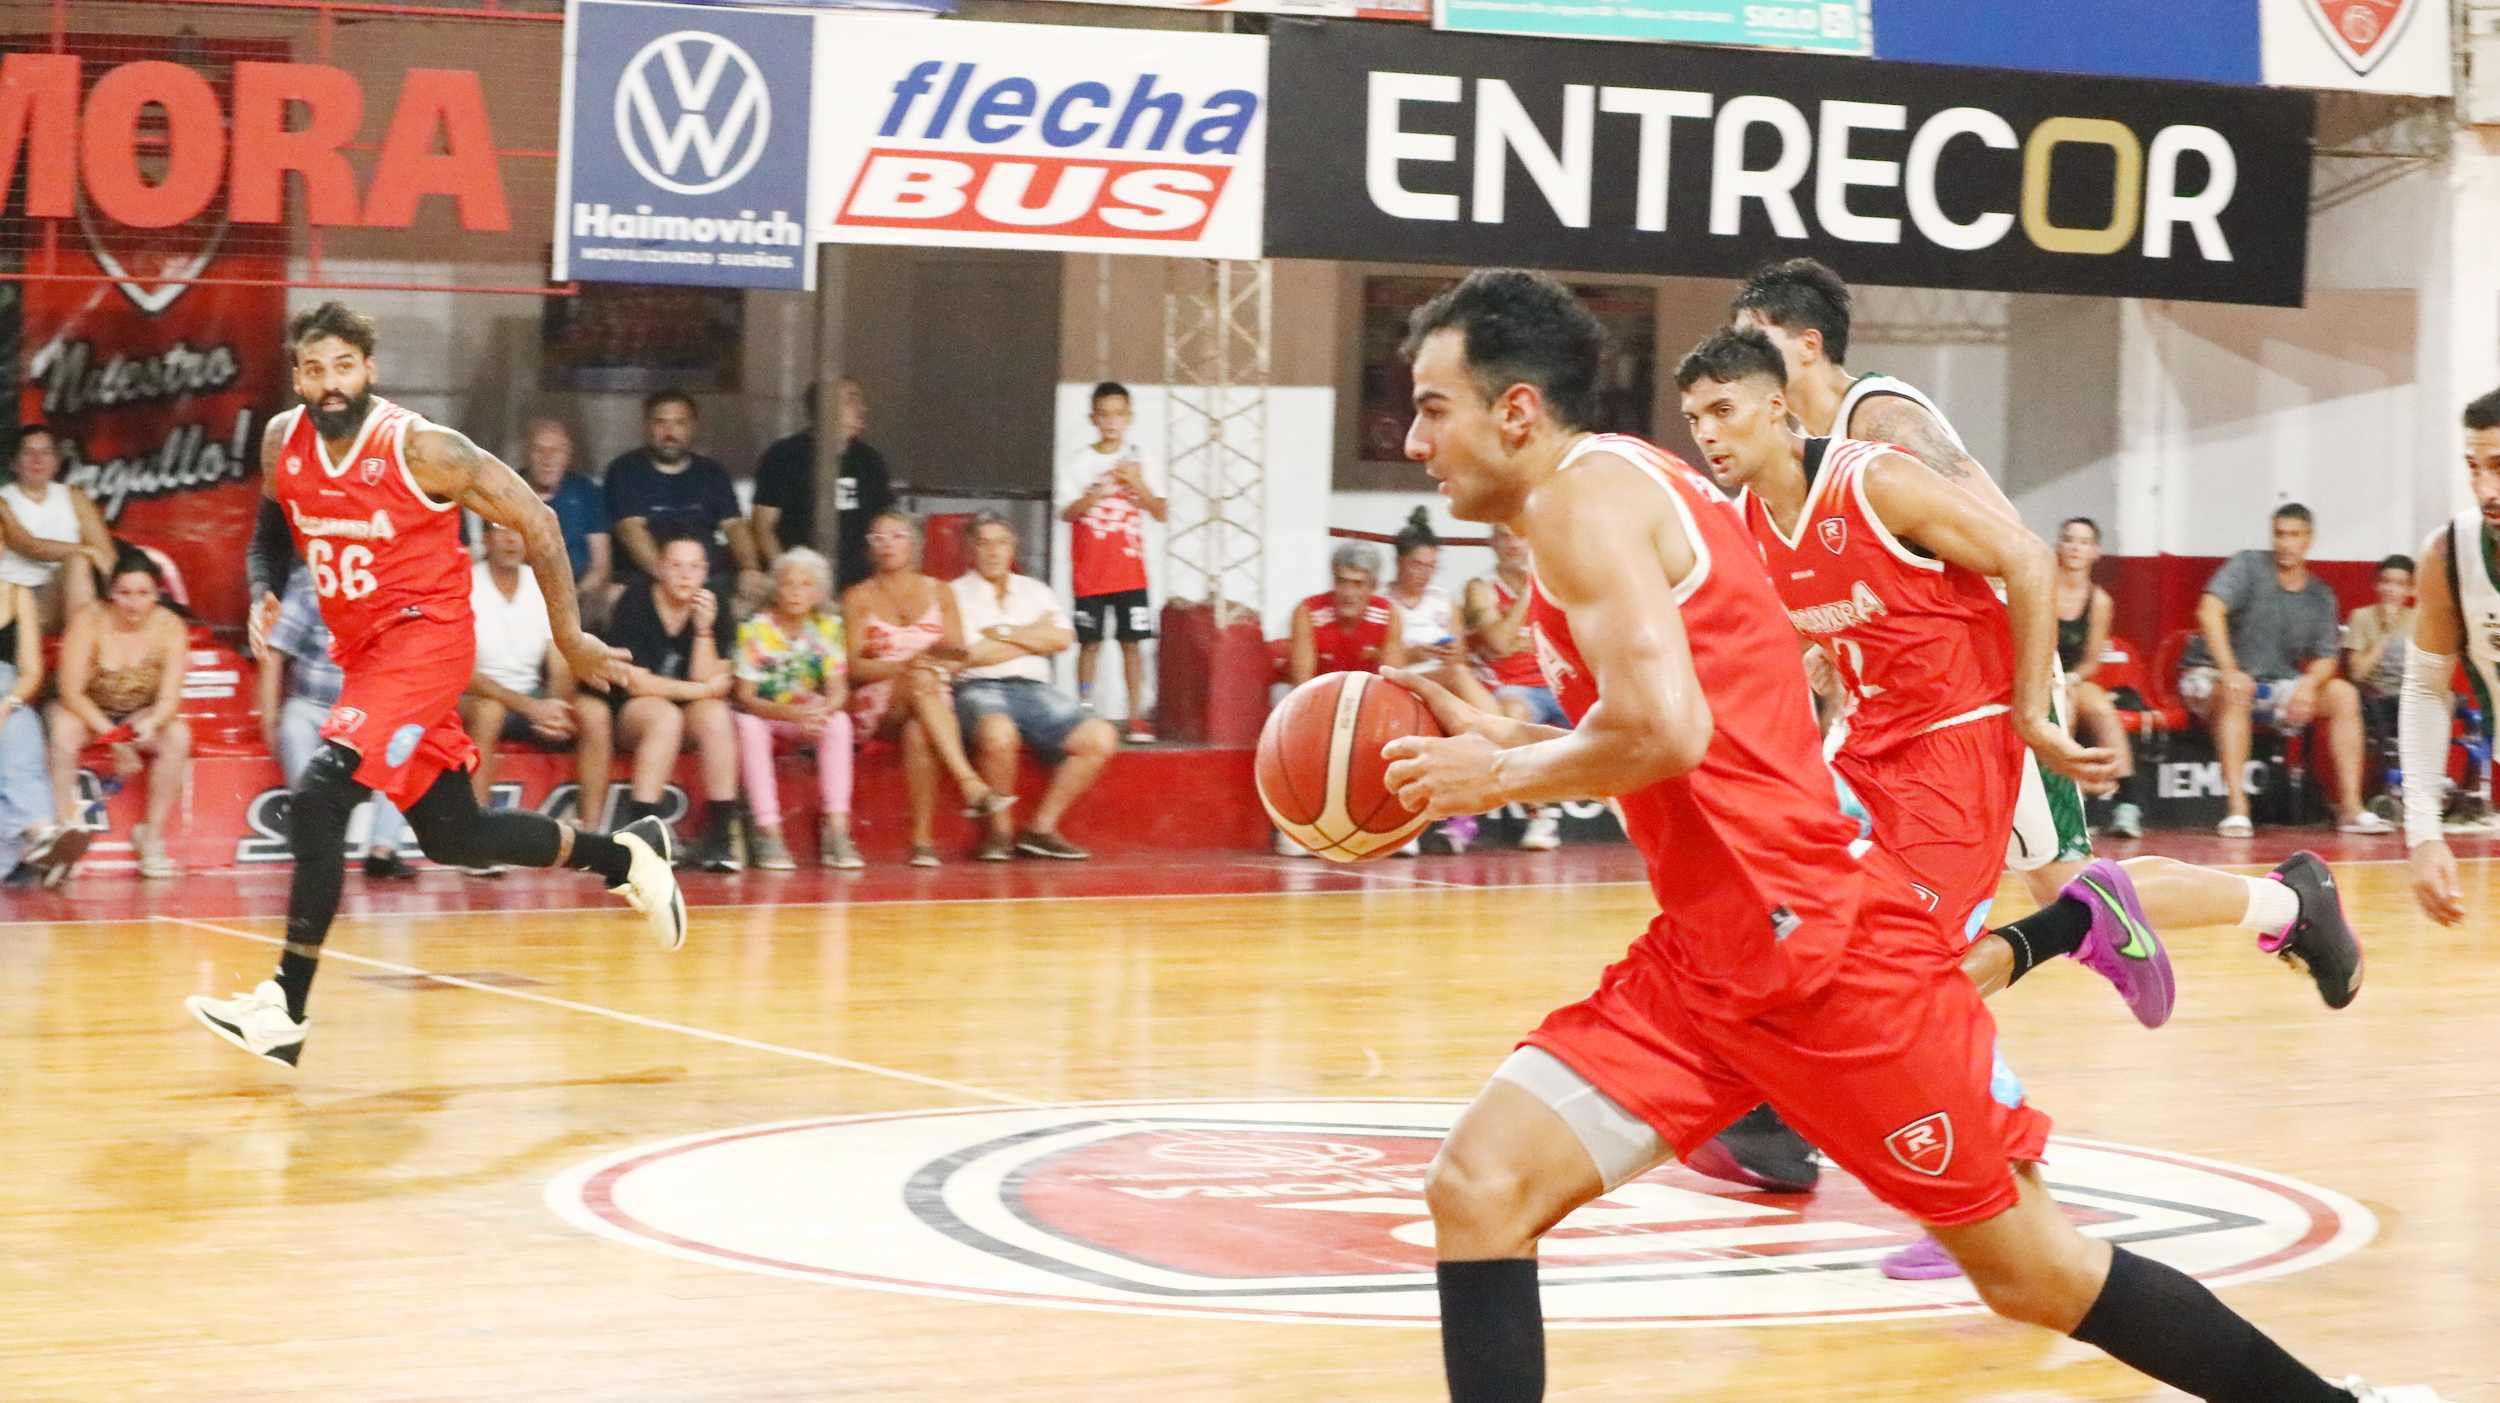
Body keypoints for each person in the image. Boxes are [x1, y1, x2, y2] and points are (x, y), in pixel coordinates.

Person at [1384, 268, 2440, 1403]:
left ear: (1517, 409)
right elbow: (1683, 726)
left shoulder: (1591, 501)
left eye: (1433, 406)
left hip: (1828, 952)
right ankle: (2097, 927)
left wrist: (1499, 771)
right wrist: (1502, 733)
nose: (1412, 440)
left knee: (2036, 1273)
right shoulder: (1624, 488)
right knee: (1481, 1185)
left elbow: (1666, 729)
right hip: (1716, 955)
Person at [191, 301, 681, 1069]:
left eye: (343, 366)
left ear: (369, 369)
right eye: (314, 370)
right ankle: (627, 856)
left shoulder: (424, 448)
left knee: (320, 798)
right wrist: (263, 591)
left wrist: (571, 636)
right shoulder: (284, 439)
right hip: (366, 655)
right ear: (298, 378)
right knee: (456, 834)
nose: (329, 382)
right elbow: (270, 533)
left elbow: (538, 521)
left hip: (426, 642)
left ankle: (284, 1006)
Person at [2180, 503, 2389, 835]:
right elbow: (2209, 610)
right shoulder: (2248, 565)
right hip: (2209, 674)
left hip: (2272, 683)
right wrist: (2230, 670)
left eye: (2294, 535)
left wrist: (2307, 686)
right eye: (2279, 534)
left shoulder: (2320, 596)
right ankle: (2237, 811)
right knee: (2239, 690)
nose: (2285, 543)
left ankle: (2350, 809)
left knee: (2343, 694)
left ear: (2308, 540)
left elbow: (2326, 658)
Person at [844, 510, 1013, 867]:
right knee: (920, 681)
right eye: (879, 538)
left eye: (898, 536)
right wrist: (904, 667)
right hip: (878, 697)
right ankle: (969, 782)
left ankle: (922, 841)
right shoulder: (858, 596)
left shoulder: (939, 591)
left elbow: (957, 654)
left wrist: (928, 664)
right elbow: (853, 666)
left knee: (919, 732)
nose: (889, 545)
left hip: (930, 695)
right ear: (870, 548)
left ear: (914, 543)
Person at [951, 512, 1118, 862]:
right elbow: (966, 655)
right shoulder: (953, 593)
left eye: (1001, 543)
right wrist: (1032, 638)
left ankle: (1040, 829)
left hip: (1034, 689)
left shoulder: (1034, 590)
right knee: (999, 733)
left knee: (1100, 736)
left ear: (1012, 547)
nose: (994, 552)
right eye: (984, 543)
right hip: (978, 686)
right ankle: (999, 834)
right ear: (970, 550)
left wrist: (1003, 633)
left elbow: (1062, 639)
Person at [460, 521, 609, 869]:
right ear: (486, 538)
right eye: (501, 531)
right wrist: (530, 707)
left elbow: (560, 660)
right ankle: (475, 845)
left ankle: (590, 836)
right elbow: (463, 672)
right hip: (475, 694)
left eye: (518, 531)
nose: (511, 539)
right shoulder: (465, 583)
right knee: (489, 712)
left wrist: (554, 707)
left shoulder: (541, 583)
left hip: (532, 694)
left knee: (596, 714)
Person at [259, 562, 417, 880]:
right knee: (292, 727)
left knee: (406, 737)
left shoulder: (394, 585)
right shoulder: (310, 583)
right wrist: (268, 717)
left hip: (370, 706)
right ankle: (320, 840)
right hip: (312, 705)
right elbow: (274, 650)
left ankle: (383, 850)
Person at [2407, 387, 2500, 929]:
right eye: (2474, 468)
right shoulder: (2449, 555)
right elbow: (2425, 689)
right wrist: (2423, 833)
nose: (2486, 489)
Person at [597, 533, 744, 871]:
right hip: (632, 712)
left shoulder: (715, 602)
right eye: (676, 566)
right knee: (665, 716)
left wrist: (704, 629)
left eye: (693, 568)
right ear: (661, 569)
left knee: (716, 715)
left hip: (686, 709)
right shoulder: (636, 599)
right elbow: (636, 682)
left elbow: (710, 677)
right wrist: (701, 691)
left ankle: (720, 835)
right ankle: (642, 832)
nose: (685, 576)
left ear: (705, 571)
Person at [49, 556, 191, 880]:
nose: (134, 603)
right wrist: (116, 739)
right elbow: (71, 693)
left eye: (143, 593)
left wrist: (152, 722)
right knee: (62, 733)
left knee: (178, 735)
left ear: (157, 594)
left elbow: (169, 700)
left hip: (137, 712)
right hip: (86, 711)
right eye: (125, 593)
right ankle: (63, 830)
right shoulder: (88, 621)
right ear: (111, 593)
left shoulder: (171, 626)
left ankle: (151, 836)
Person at [731, 547, 861, 871]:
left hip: (802, 709)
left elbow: (838, 690)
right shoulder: (755, 628)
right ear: (776, 588)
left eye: (806, 585)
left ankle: (837, 830)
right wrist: (796, 715)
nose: (796, 592)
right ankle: (768, 831)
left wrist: (820, 713)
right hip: (763, 710)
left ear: (818, 593)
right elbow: (745, 697)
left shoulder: (828, 627)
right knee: (749, 728)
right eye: (788, 583)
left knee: (839, 723)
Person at [1386, 509, 1498, 854]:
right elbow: (1385, 662)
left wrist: (1449, 652)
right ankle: (1501, 733)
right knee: (1458, 679)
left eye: (1431, 566)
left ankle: (1460, 812)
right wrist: (1418, 653)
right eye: (1417, 565)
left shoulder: (1442, 601)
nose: (1424, 573)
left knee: (1459, 678)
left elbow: (1459, 657)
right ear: (1400, 562)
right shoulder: (1384, 603)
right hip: (1399, 682)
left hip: (1442, 680)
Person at [1063, 381, 1166, 744]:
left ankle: (1136, 714)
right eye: (1103, 415)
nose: (1110, 422)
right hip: (1090, 572)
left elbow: (1161, 511)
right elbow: (1067, 512)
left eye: (1118, 414)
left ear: (1129, 417)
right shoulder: (1080, 461)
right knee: (1089, 643)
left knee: (1132, 644)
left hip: (1130, 572)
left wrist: (1138, 483)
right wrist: (1097, 494)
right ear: (1093, 418)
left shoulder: (1142, 461)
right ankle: (1085, 709)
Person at [603, 389, 764, 608]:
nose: (669, 432)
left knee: (761, 593)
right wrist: (673, 578)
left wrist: (749, 568)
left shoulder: (712, 472)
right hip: (647, 576)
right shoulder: (625, 470)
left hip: (709, 575)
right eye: (661, 422)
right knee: (613, 597)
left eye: (679, 423)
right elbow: (631, 531)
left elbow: (734, 526)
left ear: (692, 427)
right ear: (646, 426)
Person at [1463, 521, 1564, 851]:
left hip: (1558, 683)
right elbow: (1501, 644)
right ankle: (1540, 816)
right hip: (1511, 687)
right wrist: (1529, 590)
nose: (1513, 545)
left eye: (1520, 536)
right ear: (1492, 543)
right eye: (1503, 537)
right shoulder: (1481, 589)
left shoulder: (1559, 583)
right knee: (1513, 713)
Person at [751, 379, 895, 591]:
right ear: (825, 407)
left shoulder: (869, 460)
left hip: (860, 582)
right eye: (851, 400)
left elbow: (886, 522)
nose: (862, 408)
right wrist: (787, 576)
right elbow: (763, 526)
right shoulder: (784, 456)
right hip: (801, 582)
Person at [2054, 517, 2140, 837]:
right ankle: (2065, 802)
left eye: (2084, 542)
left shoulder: (2100, 601)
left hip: (2074, 677)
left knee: (2102, 708)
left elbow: (2091, 661)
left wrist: (2072, 679)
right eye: (2070, 540)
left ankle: (2128, 803)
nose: (2076, 548)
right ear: (2059, 547)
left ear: (2096, 552)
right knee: (2063, 708)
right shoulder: (2041, 587)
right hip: (2038, 674)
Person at [0, 572, 81, 886]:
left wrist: (7, 706)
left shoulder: (17, 593)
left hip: (8, 692)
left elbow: (31, 671)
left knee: (21, 727)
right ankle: (41, 834)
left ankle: (42, 836)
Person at [0, 424, 116, 631]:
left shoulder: (75, 497)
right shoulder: (4, 500)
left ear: (56, 462)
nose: (38, 461)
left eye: (45, 453)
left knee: (79, 564)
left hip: (68, 592)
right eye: (28, 453)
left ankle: (84, 642)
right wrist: (85, 551)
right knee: (78, 559)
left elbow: (106, 555)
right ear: (14, 463)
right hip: (17, 600)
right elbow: (27, 545)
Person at [514, 417, 613, 625]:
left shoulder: (585, 491)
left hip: (578, 597)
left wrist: (571, 598)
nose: (547, 459)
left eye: (556, 451)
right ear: (526, 453)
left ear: (568, 456)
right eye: (539, 450)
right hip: (521, 596)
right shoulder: (507, 489)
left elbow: (600, 565)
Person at [1289, 541, 1406, 684]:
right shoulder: (1308, 612)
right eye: (1342, 582)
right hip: (1319, 693)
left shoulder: (1388, 615)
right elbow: (1302, 685)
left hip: (1369, 694)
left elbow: (1393, 682)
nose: (1348, 593)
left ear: (1373, 587)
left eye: (1358, 584)